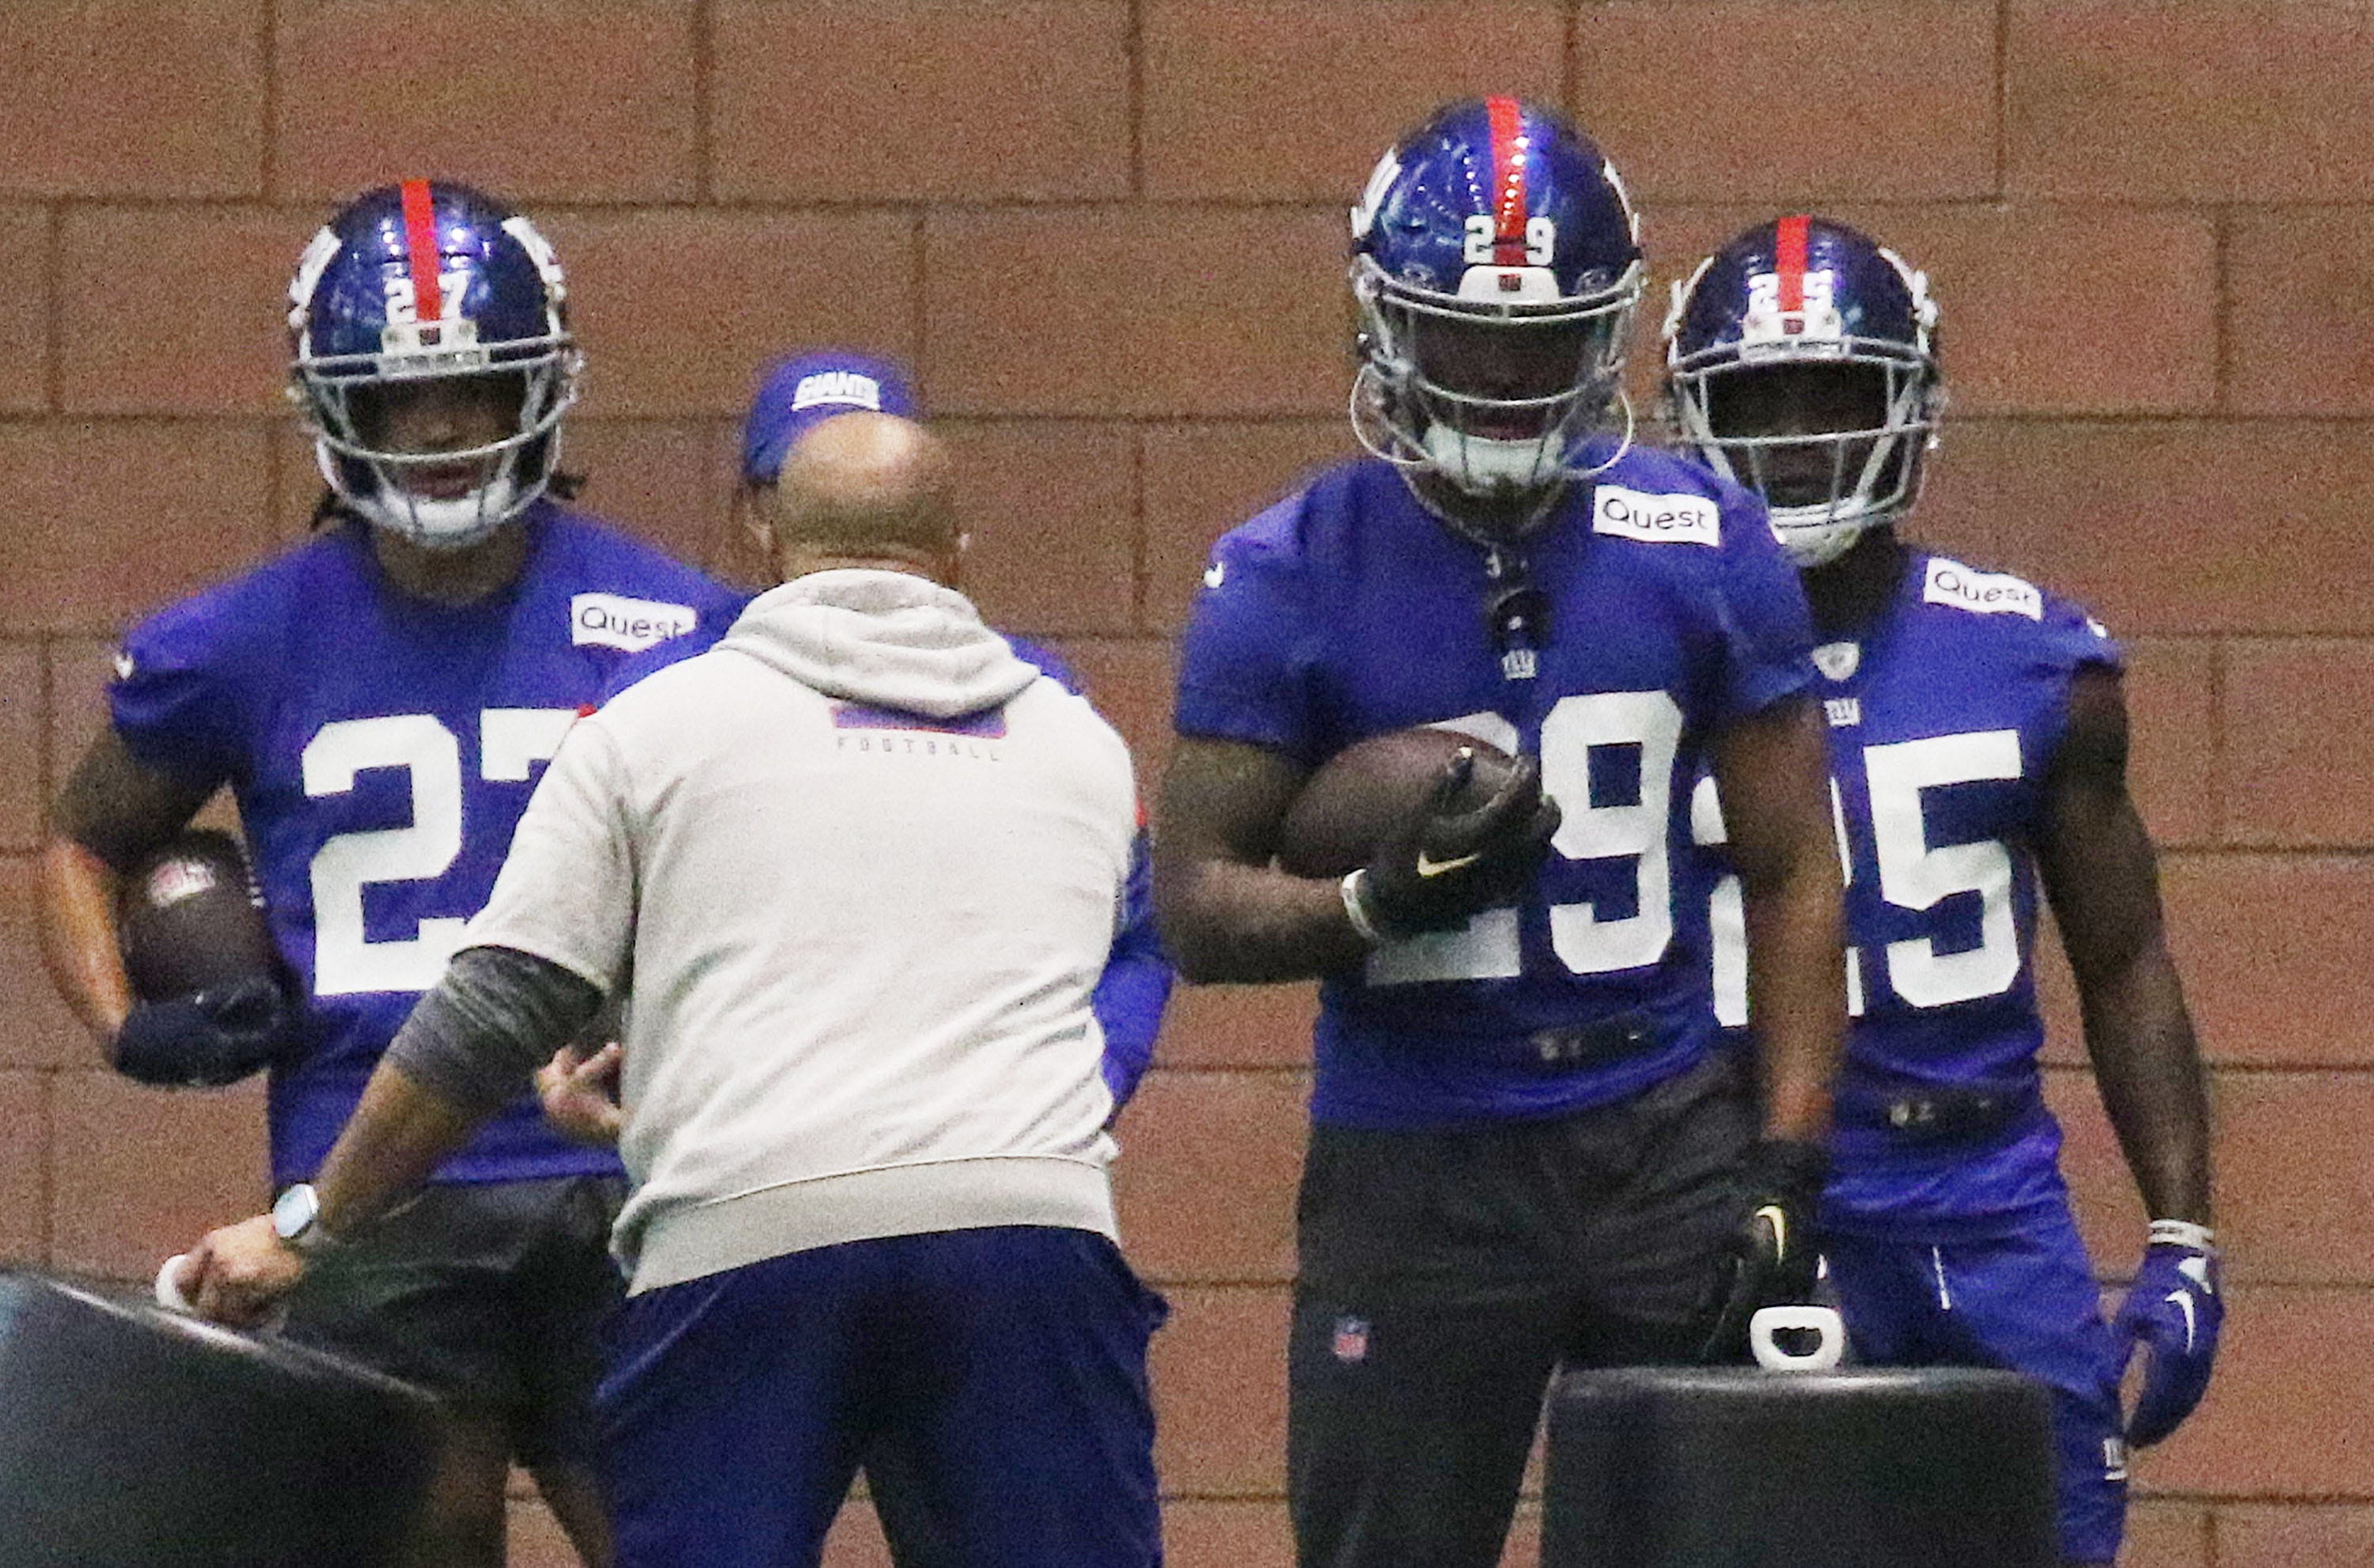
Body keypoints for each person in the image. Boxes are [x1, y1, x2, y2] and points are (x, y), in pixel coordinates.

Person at [173, 411, 1168, 1568]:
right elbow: (1003, 971)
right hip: (1028, 1234)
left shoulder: (654, 728)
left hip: (750, 1232)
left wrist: (310, 1222)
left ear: (767, 548)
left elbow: (495, 1012)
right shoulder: (1081, 748)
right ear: (957, 551)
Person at [1152, 97, 1847, 1568]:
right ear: (1382, 321)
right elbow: (1196, 905)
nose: (1505, 371)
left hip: (1659, 1127)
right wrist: (1368, 906)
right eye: (1462, 332)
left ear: (1608, 331)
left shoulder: (1702, 537)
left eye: (1542, 338)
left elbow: (1793, 868)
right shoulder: (1286, 570)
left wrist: (1786, 1160)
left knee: (1718, 1542)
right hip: (1419, 1152)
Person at [37, 180, 741, 1568]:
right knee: (424, 1535)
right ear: (333, 410)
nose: (438, 429)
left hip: (625, 1153)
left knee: (693, 1547)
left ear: (536, 388)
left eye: (475, 388)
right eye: (399, 398)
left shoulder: (676, 625)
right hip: (368, 1175)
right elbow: (80, 840)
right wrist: (124, 1022)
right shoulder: (239, 638)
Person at [1663, 214, 2220, 1566]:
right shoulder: (1646, 654)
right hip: (1756, 1196)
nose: (1797, 436)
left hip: (1985, 1188)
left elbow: (2128, 957)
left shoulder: (2032, 657)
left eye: (1837, 394)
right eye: (1760, 400)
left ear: (1911, 408)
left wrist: (2183, 1228)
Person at [539, 350, 1169, 1134]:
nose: (846, 509)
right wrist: (606, 1067)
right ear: (753, 516)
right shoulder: (654, 695)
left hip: (981, 1149)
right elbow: (569, 932)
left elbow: (1136, 936)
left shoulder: (1039, 696)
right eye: (795, 483)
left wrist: (1092, 1083)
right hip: (743, 1154)